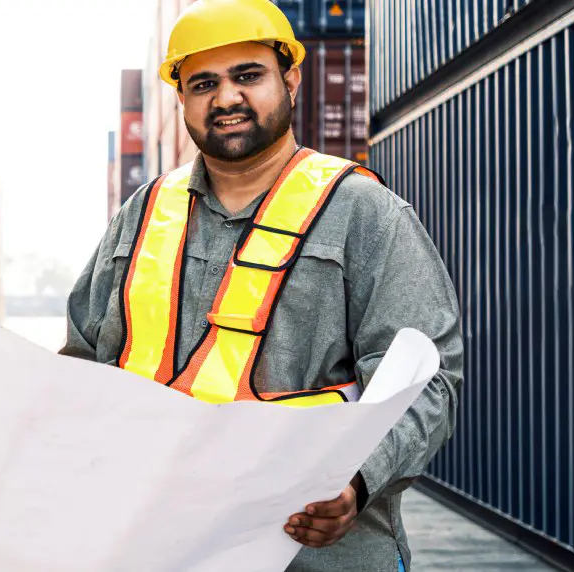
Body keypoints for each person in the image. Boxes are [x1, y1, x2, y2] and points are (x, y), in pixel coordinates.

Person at [60, 1, 463, 570]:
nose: (225, 98)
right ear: (182, 101)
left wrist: (356, 481)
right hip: (155, 546)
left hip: (316, 554)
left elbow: (427, 379)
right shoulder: (142, 213)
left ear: (290, 79)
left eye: (247, 75)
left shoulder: (367, 214)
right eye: (203, 83)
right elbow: (79, 367)